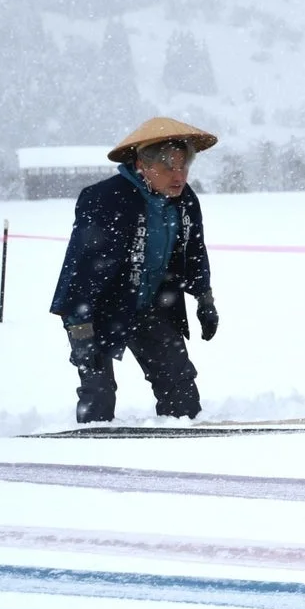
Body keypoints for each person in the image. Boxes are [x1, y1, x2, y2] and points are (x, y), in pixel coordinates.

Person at [50, 117, 219, 423]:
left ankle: (182, 448)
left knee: (179, 387)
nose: (179, 176)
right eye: (169, 167)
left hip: (152, 303)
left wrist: (204, 298)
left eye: (184, 166)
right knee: (99, 392)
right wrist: (80, 329)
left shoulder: (184, 201)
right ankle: (90, 452)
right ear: (142, 164)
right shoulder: (105, 199)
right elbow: (81, 267)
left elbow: (195, 251)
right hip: (97, 309)